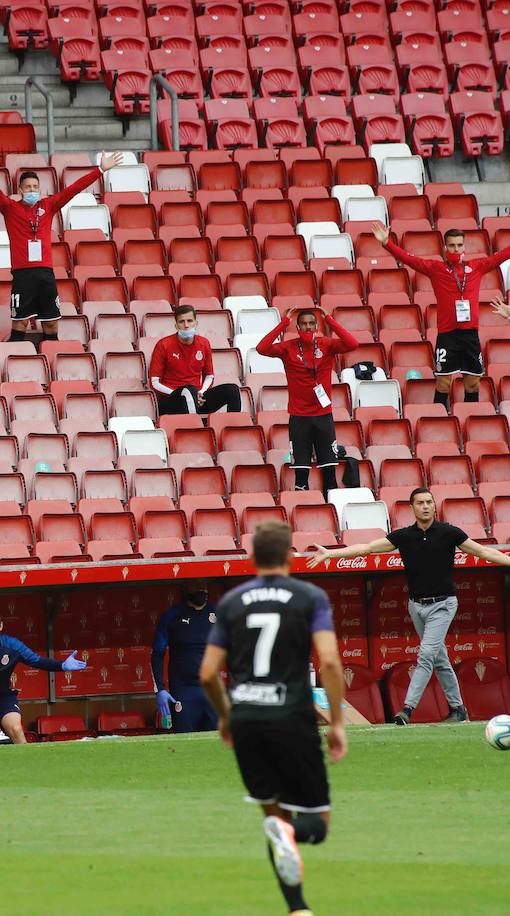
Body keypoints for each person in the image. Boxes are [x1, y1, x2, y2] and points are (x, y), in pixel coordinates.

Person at [200, 520, 347, 916]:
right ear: (290, 556)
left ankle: (297, 908)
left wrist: (227, 717)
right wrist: (336, 722)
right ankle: (292, 837)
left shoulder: (231, 602)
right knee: (314, 824)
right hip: (292, 718)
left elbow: (207, 673)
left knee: (274, 816)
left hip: (247, 716)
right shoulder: (310, 597)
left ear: (251, 559)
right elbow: (330, 662)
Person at [308, 486, 510, 724]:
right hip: (416, 606)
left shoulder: (449, 533)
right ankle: (458, 709)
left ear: (434, 506)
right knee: (439, 658)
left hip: (443, 604)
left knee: (425, 655)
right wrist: (331, 555)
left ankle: (407, 709)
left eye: (429, 502)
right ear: (412, 508)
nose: (425, 506)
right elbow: (367, 548)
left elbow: (483, 552)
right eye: (420, 503)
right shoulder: (403, 536)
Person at [0, 145, 125, 347]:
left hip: (46, 274)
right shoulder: (10, 208)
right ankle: (16, 366)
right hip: (23, 275)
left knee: (51, 326)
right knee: (20, 324)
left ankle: (50, 360)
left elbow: (73, 189)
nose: (32, 190)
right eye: (28, 187)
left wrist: (99, 170)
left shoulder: (48, 206)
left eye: (35, 187)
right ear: (20, 190)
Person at [375, 225, 510, 409]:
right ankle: (438, 419)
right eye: (452, 245)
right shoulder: (436, 268)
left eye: (459, 245)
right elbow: (408, 259)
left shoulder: (476, 267)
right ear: (445, 248)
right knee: (443, 384)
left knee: (473, 384)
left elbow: (498, 257)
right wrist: (386, 243)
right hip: (447, 336)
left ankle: (468, 418)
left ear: (464, 247)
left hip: (470, 336)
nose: (456, 249)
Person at [254, 305, 359, 495]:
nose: (308, 327)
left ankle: (331, 504)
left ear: (317, 326)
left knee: (329, 469)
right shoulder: (288, 348)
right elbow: (262, 348)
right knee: (301, 473)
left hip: (323, 415)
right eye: (303, 324)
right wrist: (283, 324)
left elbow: (353, 343)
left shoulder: (327, 344)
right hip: (299, 416)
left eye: (311, 323)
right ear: (298, 327)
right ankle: (303, 504)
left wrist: (330, 320)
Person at [0, 607, 86, 743]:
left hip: (1, 697)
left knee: (16, 729)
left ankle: (28, 763)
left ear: (1, 625)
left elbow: (37, 660)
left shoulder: (13, 645)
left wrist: (61, 665)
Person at [151, 583, 220, 733]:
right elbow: (157, 654)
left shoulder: (218, 613)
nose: (201, 590)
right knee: (185, 741)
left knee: (216, 742)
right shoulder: (172, 616)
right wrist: (160, 689)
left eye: (204, 585)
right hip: (184, 690)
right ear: (187, 588)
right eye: (197, 585)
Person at [150, 304, 242, 415]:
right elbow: (154, 382)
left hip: (198, 398)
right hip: (172, 400)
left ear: (196, 323)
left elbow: (209, 375)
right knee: (189, 390)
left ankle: (233, 428)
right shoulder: (163, 345)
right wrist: (183, 394)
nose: (186, 325)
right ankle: (194, 429)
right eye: (181, 322)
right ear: (176, 325)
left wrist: (201, 393)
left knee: (232, 390)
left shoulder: (204, 343)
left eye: (189, 321)